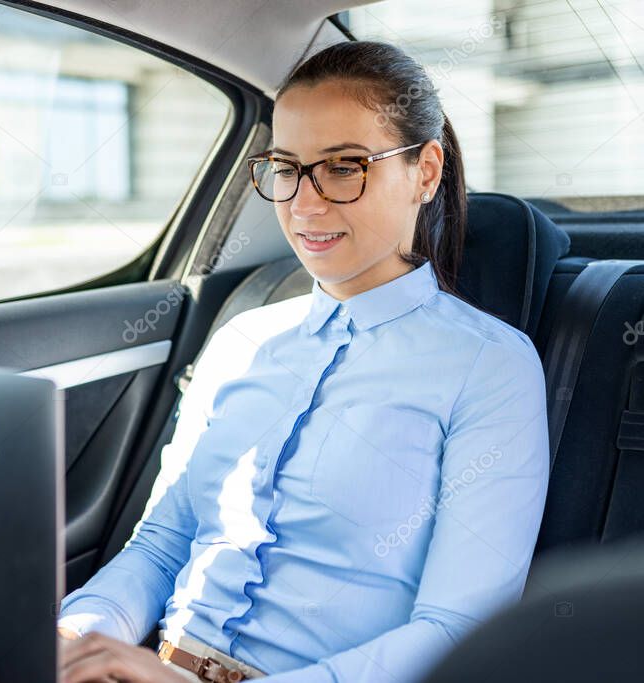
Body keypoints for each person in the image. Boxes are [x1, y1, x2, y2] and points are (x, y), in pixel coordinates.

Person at [57, 40, 549, 683]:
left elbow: (455, 635)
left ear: (426, 172)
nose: (304, 204)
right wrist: (78, 637)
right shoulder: (241, 342)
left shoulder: (489, 367)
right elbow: (162, 544)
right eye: (286, 167)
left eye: (344, 167)